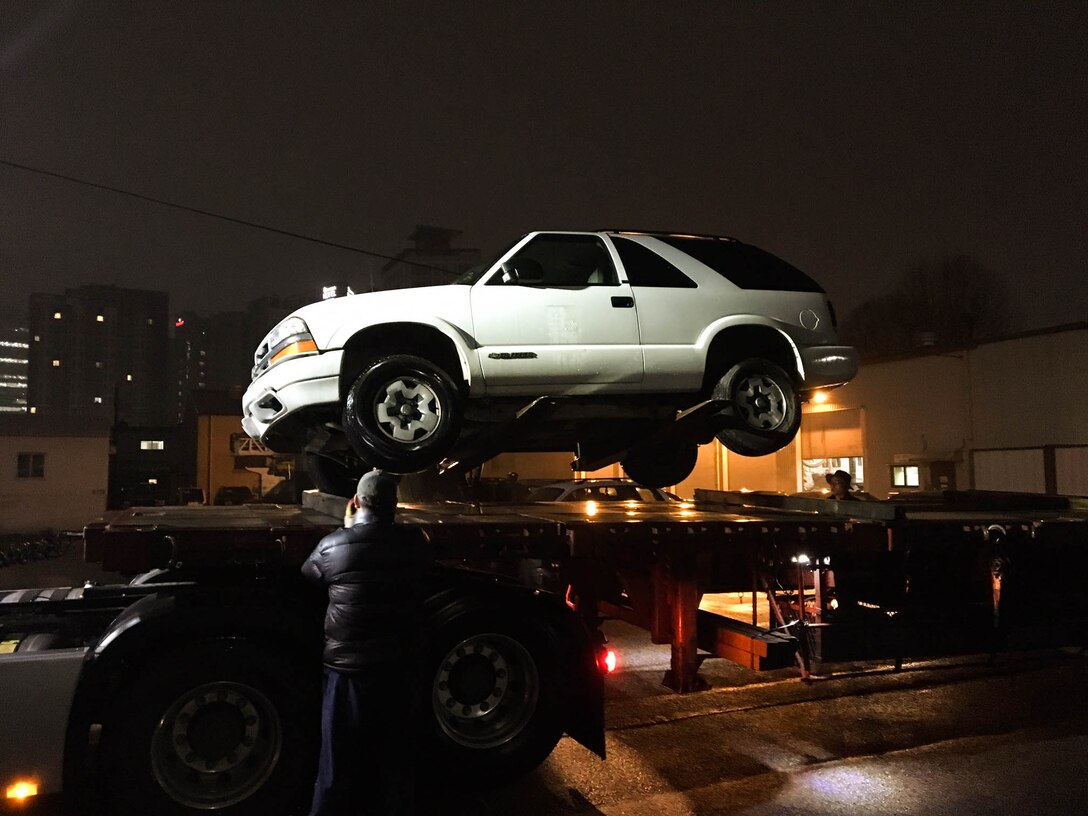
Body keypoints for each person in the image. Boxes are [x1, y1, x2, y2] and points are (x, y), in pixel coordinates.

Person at [303, 470, 434, 816]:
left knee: (336, 765)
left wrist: (348, 529)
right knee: (395, 766)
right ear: (395, 505)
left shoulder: (332, 546)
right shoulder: (416, 542)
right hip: (399, 669)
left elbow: (309, 575)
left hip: (347, 673)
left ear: (355, 503)